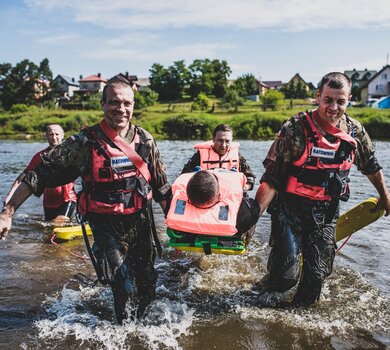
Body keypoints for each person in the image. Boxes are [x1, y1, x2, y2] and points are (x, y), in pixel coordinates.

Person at [0, 76, 172, 324]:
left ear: (134, 105)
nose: (121, 109)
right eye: (114, 102)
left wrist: (179, 226)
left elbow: (160, 185)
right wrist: (8, 212)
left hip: (140, 222)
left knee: (146, 283)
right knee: (122, 285)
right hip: (105, 225)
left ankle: (143, 328)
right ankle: (123, 334)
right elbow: (39, 174)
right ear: (103, 104)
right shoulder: (85, 142)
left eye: (127, 103)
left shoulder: (145, 140)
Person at [255, 72, 390, 307]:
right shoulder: (295, 129)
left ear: (348, 99)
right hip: (289, 210)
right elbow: (273, 178)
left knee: (315, 280)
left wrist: (385, 197)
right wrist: (253, 215)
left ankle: (295, 328)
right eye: (328, 100)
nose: (334, 107)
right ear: (318, 97)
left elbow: (370, 165)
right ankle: (262, 292)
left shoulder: (355, 132)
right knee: (285, 278)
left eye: (341, 101)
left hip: (326, 214)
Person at [166, 169, 259, 247]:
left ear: (187, 197)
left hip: (186, 233)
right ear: (219, 196)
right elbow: (255, 210)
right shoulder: (241, 218)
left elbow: (168, 206)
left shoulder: (174, 207)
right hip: (226, 232)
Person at [3, 124, 77, 223]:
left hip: (68, 199)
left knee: (59, 222)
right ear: (46, 135)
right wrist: (10, 196)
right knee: (48, 228)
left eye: (57, 134)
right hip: (49, 202)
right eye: (50, 134)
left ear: (63, 135)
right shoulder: (40, 156)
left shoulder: (71, 153)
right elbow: (23, 177)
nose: (54, 137)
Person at [181, 124, 255, 191]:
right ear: (213, 139)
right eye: (220, 140)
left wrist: (245, 187)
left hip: (231, 195)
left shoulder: (238, 156)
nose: (223, 145)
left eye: (227, 141)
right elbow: (183, 177)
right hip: (205, 195)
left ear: (231, 140)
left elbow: (250, 178)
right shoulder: (199, 156)